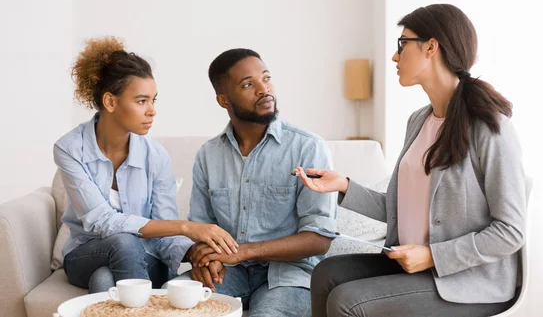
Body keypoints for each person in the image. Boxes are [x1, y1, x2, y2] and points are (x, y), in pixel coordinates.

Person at [294, 3, 527, 317]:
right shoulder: (418, 121)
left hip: (466, 281)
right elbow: (400, 207)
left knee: (347, 301)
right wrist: (343, 186)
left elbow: (510, 232)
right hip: (414, 268)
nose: (394, 56)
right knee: (325, 275)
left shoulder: (490, 128)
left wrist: (433, 256)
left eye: (402, 45)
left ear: (431, 47)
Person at [54, 36, 238, 293]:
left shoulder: (156, 155)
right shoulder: (71, 148)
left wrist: (198, 253)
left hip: (146, 257)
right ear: (110, 102)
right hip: (87, 254)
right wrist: (186, 227)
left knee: (104, 281)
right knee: (123, 242)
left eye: (154, 100)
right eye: (142, 101)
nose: (152, 111)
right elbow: (101, 222)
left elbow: (164, 233)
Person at [179, 48, 336, 317]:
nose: (264, 89)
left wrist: (242, 252)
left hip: (288, 277)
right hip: (227, 272)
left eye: (266, 78)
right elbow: (200, 228)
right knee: (171, 301)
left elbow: (320, 238)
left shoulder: (308, 147)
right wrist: (202, 258)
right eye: (249, 84)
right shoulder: (209, 155)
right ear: (223, 100)